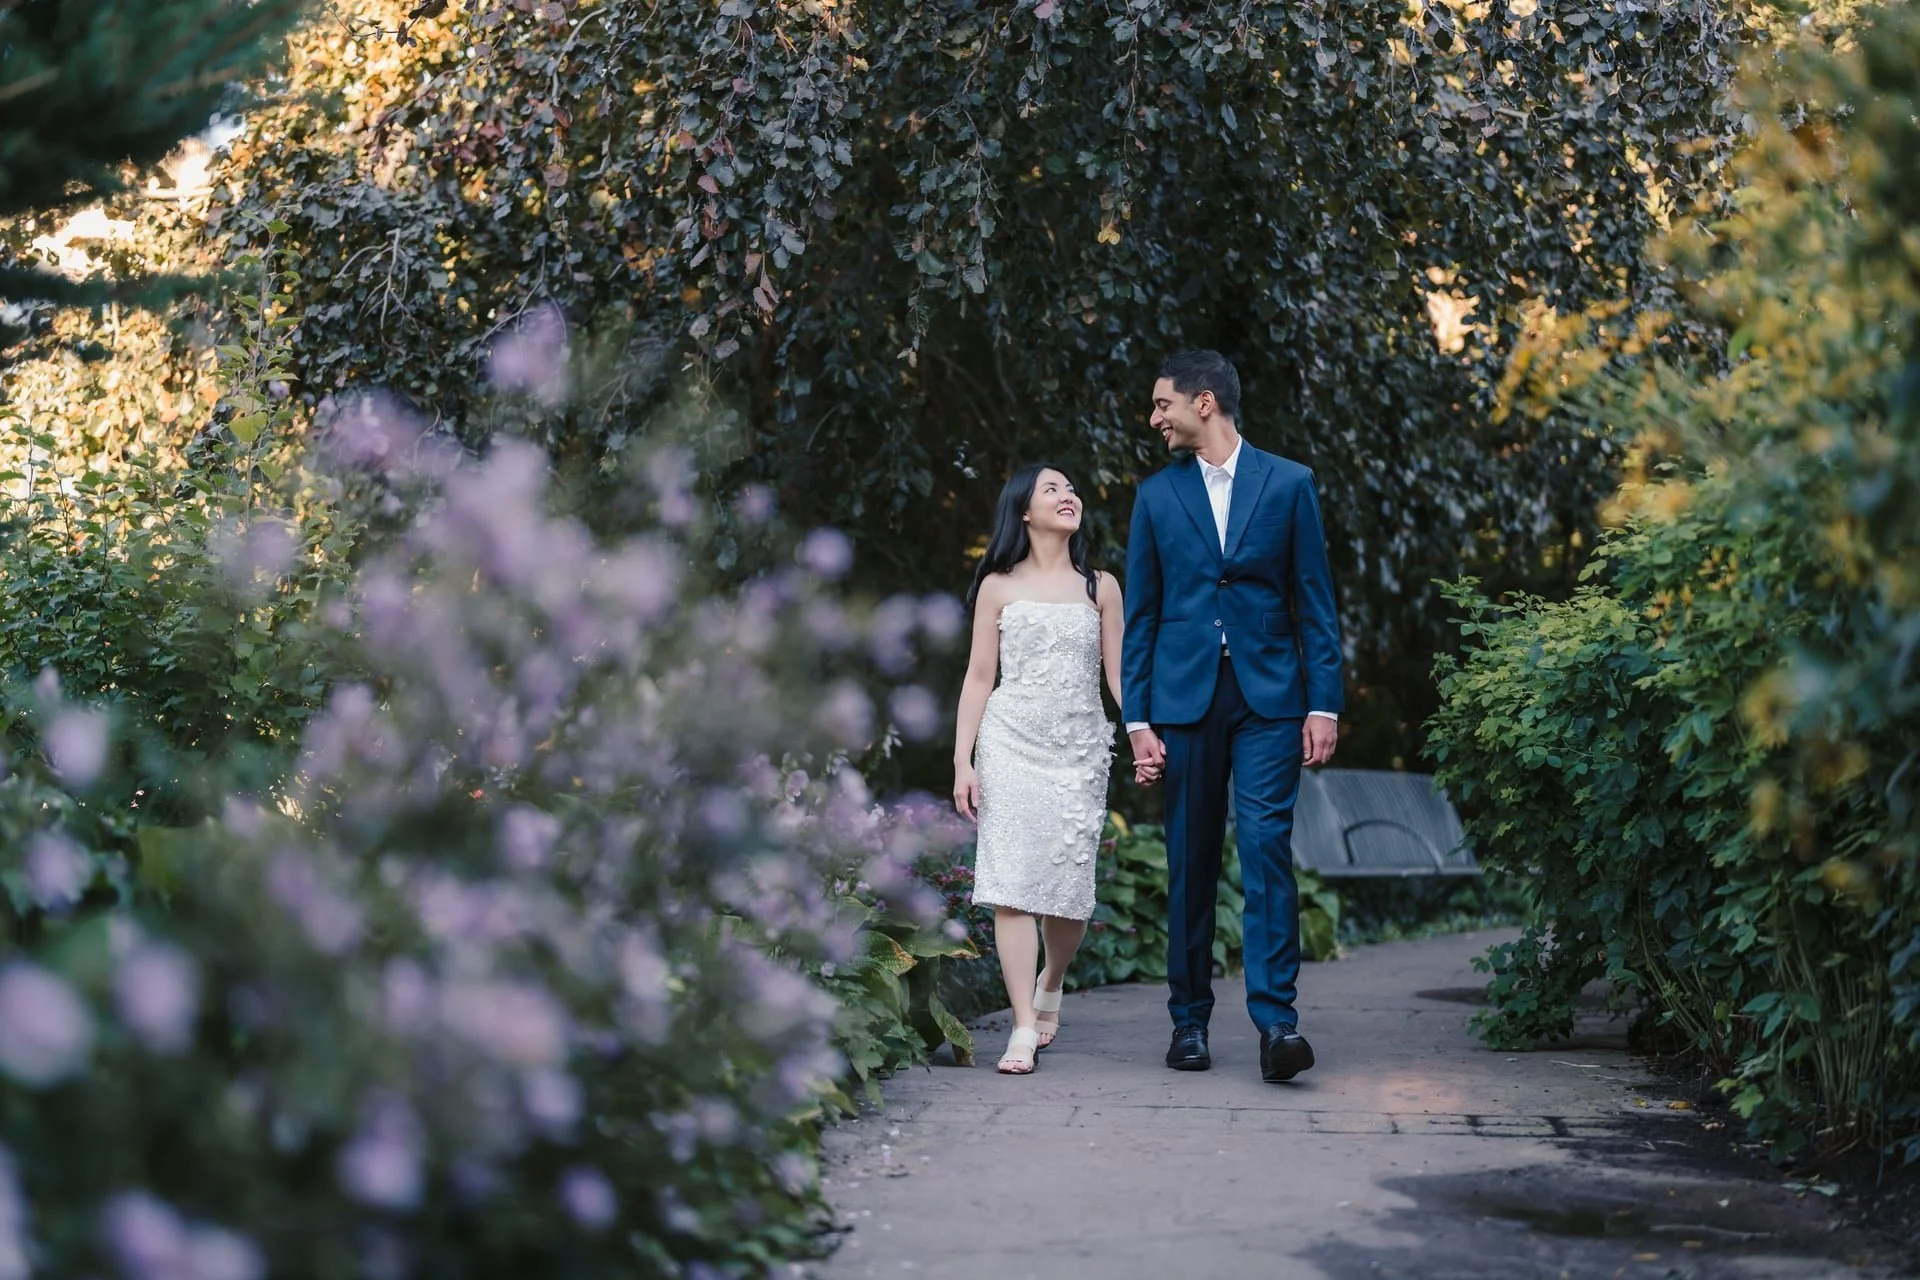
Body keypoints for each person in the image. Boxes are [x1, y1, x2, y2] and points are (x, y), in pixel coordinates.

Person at [1121, 350, 1344, 1083]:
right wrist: (1138, 720)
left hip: (1269, 701)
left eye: (1163, 405)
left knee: (1265, 850)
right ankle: (1189, 1023)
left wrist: (1323, 703)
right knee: (1190, 860)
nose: (1155, 418)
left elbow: (1313, 599)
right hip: (1183, 701)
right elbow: (1143, 617)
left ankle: (1277, 1025)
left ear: (1204, 403)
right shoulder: (1156, 498)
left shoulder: (1289, 483)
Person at [952, 464, 1124, 1075]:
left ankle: (1054, 977)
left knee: (1070, 899)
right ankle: (1023, 1024)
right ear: (1024, 511)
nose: (1067, 495)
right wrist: (962, 759)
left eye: (1071, 488)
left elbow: (1117, 676)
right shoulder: (997, 585)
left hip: (1078, 751)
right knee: (1014, 886)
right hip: (1009, 742)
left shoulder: (1100, 586)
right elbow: (979, 677)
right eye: (1052, 488)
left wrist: (1144, 731)